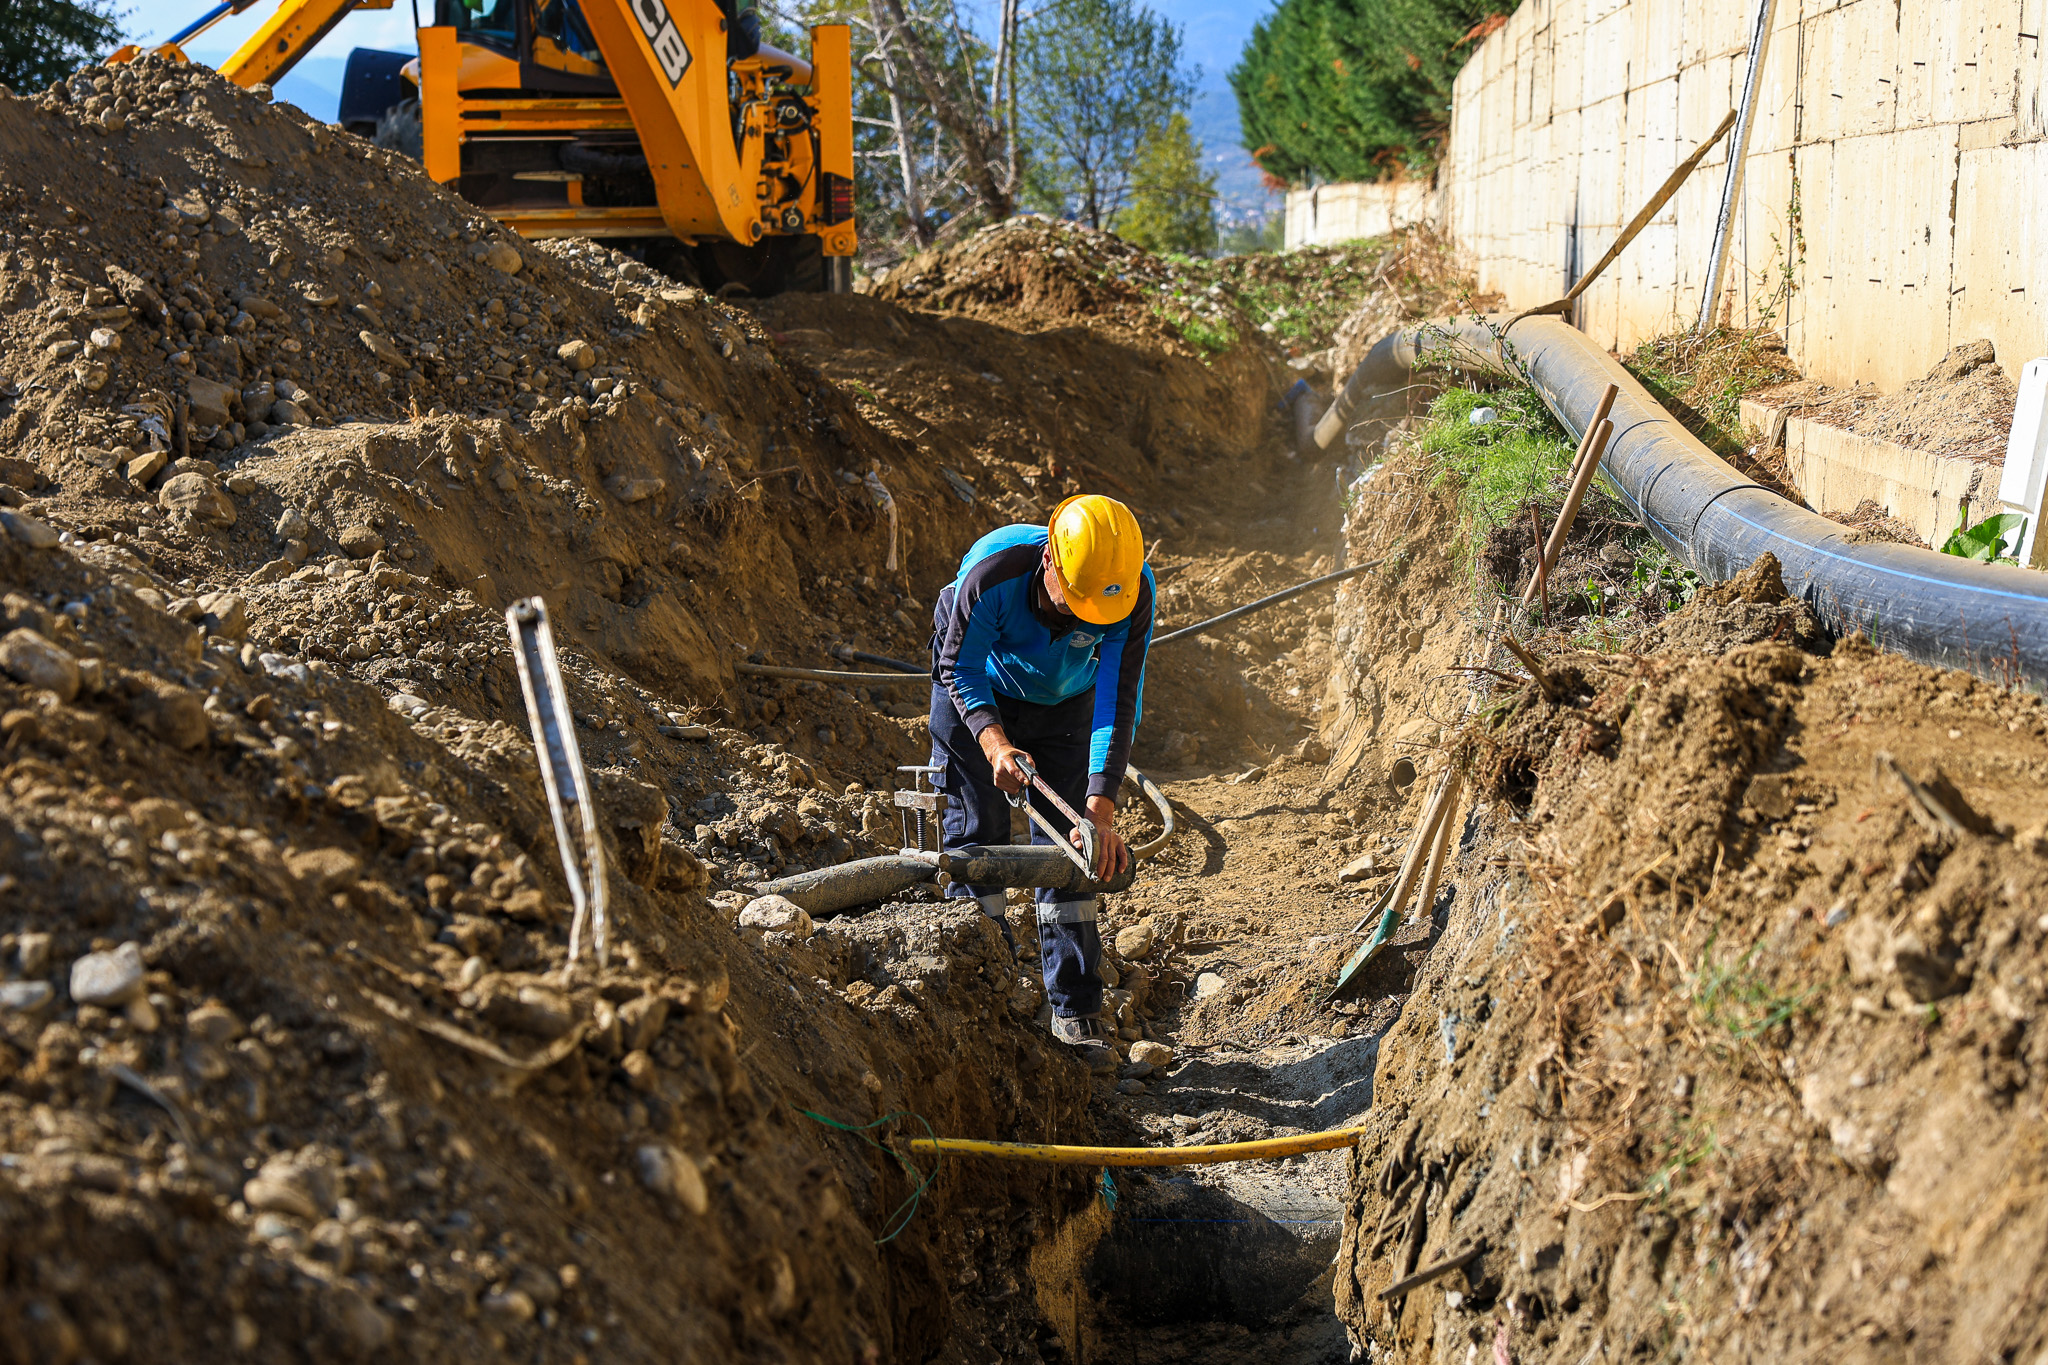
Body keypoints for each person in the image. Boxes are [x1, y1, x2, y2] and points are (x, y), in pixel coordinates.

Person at [928, 495, 1155, 1072]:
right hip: (978, 687)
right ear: (1050, 561)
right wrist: (994, 743)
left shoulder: (1131, 591)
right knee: (977, 834)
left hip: (1066, 700)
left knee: (1071, 846)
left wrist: (1098, 809)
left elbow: (1117, 702)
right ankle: (983, 1000)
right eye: (1074, 606)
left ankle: (1075, 1009)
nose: (1084, 622)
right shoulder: (994, 573)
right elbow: (961, 666)